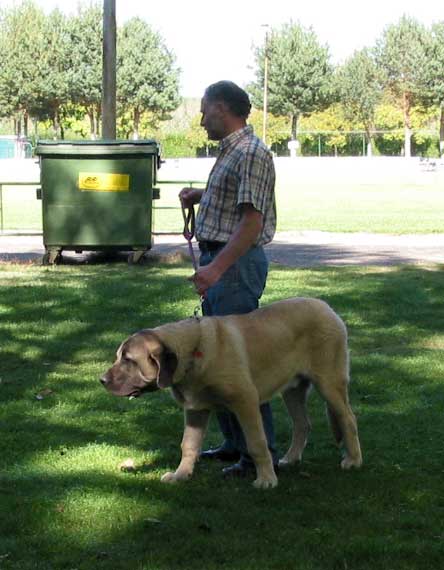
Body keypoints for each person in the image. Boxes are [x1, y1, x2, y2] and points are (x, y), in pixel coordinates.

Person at [179, 80, 278, 479]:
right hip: (221, 261)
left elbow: (251, 222)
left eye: (204, 110)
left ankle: (258, 454)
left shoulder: (252, 153)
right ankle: (235, 445)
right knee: (217, 361)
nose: (201, 119)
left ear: (222, 108)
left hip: (233, 266)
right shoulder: (234, 151)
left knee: (240, 367)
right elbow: (238, 199)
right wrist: (202, 194)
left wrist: (216, 269)